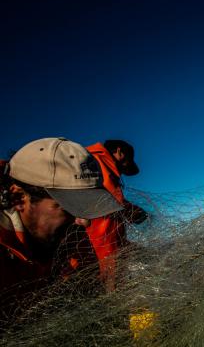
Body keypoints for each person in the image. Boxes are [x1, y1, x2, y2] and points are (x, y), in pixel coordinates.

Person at [0, 137, 122, 324]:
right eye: (68, 207)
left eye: (86, 208)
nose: (84, 222)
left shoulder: (62, 237)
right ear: (18, 198)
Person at [85, 140, 148, 290]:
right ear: (119, 152)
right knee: (106, 294)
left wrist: (132, 210)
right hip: (99, 255)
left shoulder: (102, 168)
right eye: (127, 162)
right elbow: (100, 206)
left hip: (107, 250)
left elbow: (107, 198)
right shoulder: (94, 162)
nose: (122, 173)